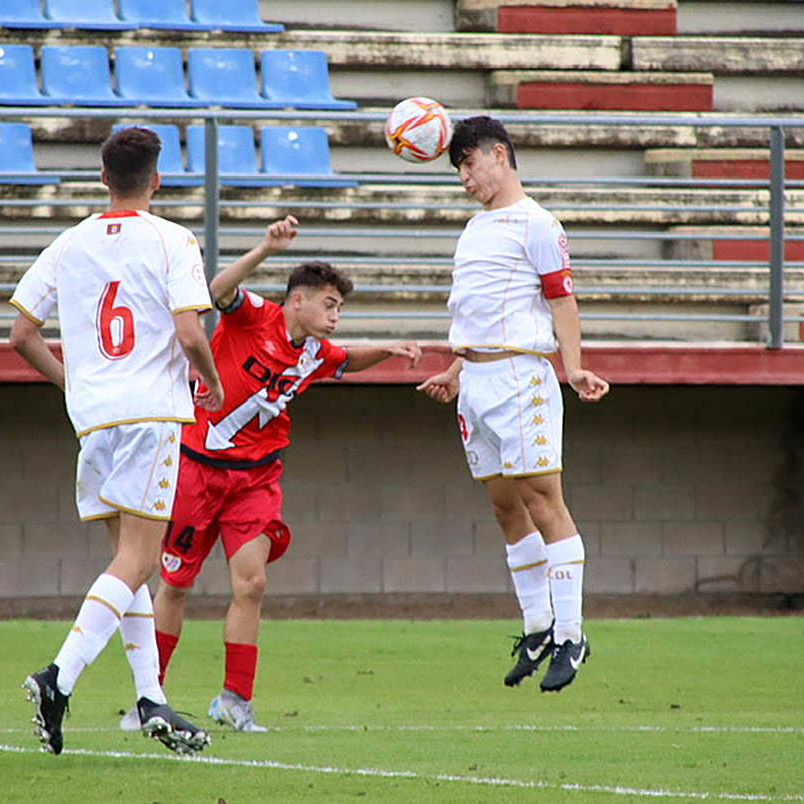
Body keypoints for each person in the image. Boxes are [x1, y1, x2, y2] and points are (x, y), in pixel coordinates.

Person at [118, 216, 422, 732]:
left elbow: (347, 361)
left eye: (340, 308)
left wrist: (389, 351)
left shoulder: (316, 354)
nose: (336, 316)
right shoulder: (254, 316)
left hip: (255, 479)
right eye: (329, 305)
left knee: (253, 583)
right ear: (297, 301)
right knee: (174, 584)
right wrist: (264, 247)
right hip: (199, 469)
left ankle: (235, 699)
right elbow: (216, 292)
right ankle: (150, 698)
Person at [8, 126, 225, 755]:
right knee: (140, 560)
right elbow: (188, 333)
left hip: (94, 416)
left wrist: (73, 383)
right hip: (150, 412)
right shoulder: (172, 238)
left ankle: (150, 698)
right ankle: (58, 677)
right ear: (157, 180)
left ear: (104, 178)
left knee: (127, 564)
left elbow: (20, 334)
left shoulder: (70, 242)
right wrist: (210, 383)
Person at [416, 116, 609, 693]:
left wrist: (571, 368)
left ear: (499, 155)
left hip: (520, 378)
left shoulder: (538, 224)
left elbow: (561, 301)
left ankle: (573, 635)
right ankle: (537, 626)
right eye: (457, 169)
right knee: (505, 507)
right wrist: (454, 369)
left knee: (543, 501)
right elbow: (476, 313)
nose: (464, 177)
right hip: (475, 382)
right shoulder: (475, 229)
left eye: (469, 163)